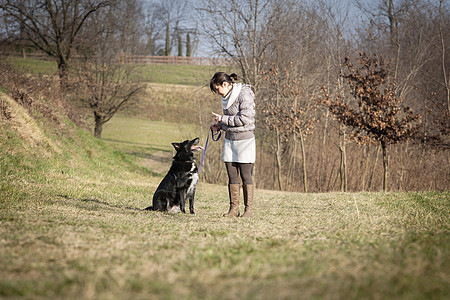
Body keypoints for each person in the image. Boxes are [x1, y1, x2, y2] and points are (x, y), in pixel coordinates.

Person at [209, 72, 256, 218]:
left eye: (217, 89)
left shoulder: (244, 95)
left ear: (225, 84)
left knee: (246, 176)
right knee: (232, 176)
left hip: (245, 141)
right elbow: (231, 122)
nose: (217, 93)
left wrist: (223, 119)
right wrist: (220, 126)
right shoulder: (226, 97)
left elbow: (245, 119)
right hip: (230, 140)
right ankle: (233, 210)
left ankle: (248, 210)